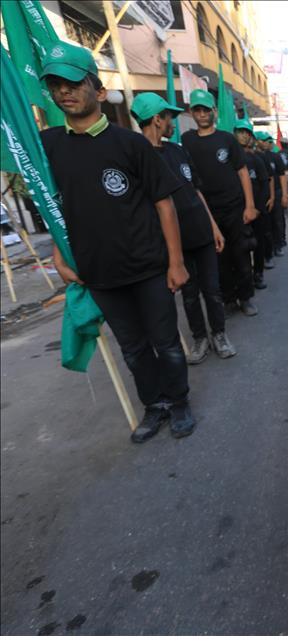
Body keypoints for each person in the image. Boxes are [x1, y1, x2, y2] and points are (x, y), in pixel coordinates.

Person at [40, 42, 196, 441]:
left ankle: (179, 401)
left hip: (147, 266)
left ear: (98, 88)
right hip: (99, 273)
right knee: (133, 349)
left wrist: (175, 262)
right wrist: (60, 256)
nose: (64, 92)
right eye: (56, 85)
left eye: (73, 83)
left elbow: (165, 204)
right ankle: (155, 405)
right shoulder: (49, 146)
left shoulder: (130, 144)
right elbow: (57, 208)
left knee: (167, 343)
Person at [131, 93, 236, 365]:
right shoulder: (135, 156)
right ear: (157, 119)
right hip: (173, 242)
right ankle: (200, 337)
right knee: (189, 295)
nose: (174, 122)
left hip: (201, 234)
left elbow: (196, 192)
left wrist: (213, 227)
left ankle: (220, 334)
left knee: (212, 289)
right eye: (170, 117)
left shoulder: (177, 151)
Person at [181, 89, 259, 316]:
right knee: (218, 258)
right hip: (207, 212)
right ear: (191, 112)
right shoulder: (186, 140)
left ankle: (246, 297)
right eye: (198, 110)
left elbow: (243, 172)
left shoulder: (227, 139)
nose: (202, 114)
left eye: (206, 109)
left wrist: (250, 205)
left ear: (214, 111)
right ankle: (228, 298)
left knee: (241, 253)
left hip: (235, 208)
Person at [234, 119, 272, 290]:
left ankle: (258, 274)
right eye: (240, 132)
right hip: (236, 212)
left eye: (246, 133)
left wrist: (258, 208)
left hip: (257, 211)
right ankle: (243, 278)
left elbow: (265, 184)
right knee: (239, 248)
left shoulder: (256, 160)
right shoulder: (231, 159)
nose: (243, 136)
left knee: (258, 243)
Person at [255, 131, 287, 257]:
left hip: (276, 193)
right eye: (265, 140)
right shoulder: (254, 157)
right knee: (265, 224)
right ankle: (266, 249)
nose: (268, 143)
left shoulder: (275, 157)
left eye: (269, 141)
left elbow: (281, 175)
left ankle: (278, 244)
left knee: (277, 220)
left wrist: (285, 195)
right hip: (261, 196)